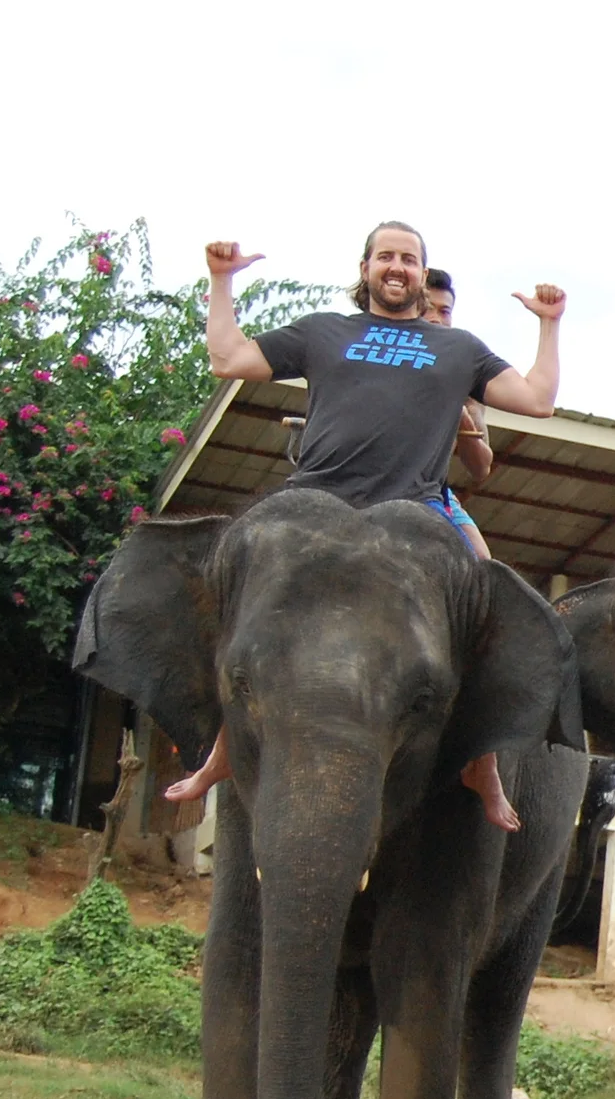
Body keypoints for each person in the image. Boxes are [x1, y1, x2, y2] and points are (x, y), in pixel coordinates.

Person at [163, 223, 566, 830]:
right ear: (366, 268)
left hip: (418, 512)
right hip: (313, 503)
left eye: (408, 258)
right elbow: (229, 358)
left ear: (421, 274)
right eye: (386, 257)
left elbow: (538, 399)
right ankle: (223, 747)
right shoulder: (323, 331)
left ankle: (482, 762)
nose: (396, 267)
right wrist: (221, 282)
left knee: (486, 604)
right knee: (232, 590)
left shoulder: (456, 350)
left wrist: (549, 323)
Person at [419, 267, 496, 560]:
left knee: (483, 565)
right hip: (366, 481)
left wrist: (461, 417)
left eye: (444, 311)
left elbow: (481, 468)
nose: (436, 318)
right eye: (426, 308)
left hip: (431, 491)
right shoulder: (377, 353)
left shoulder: (465, 377)